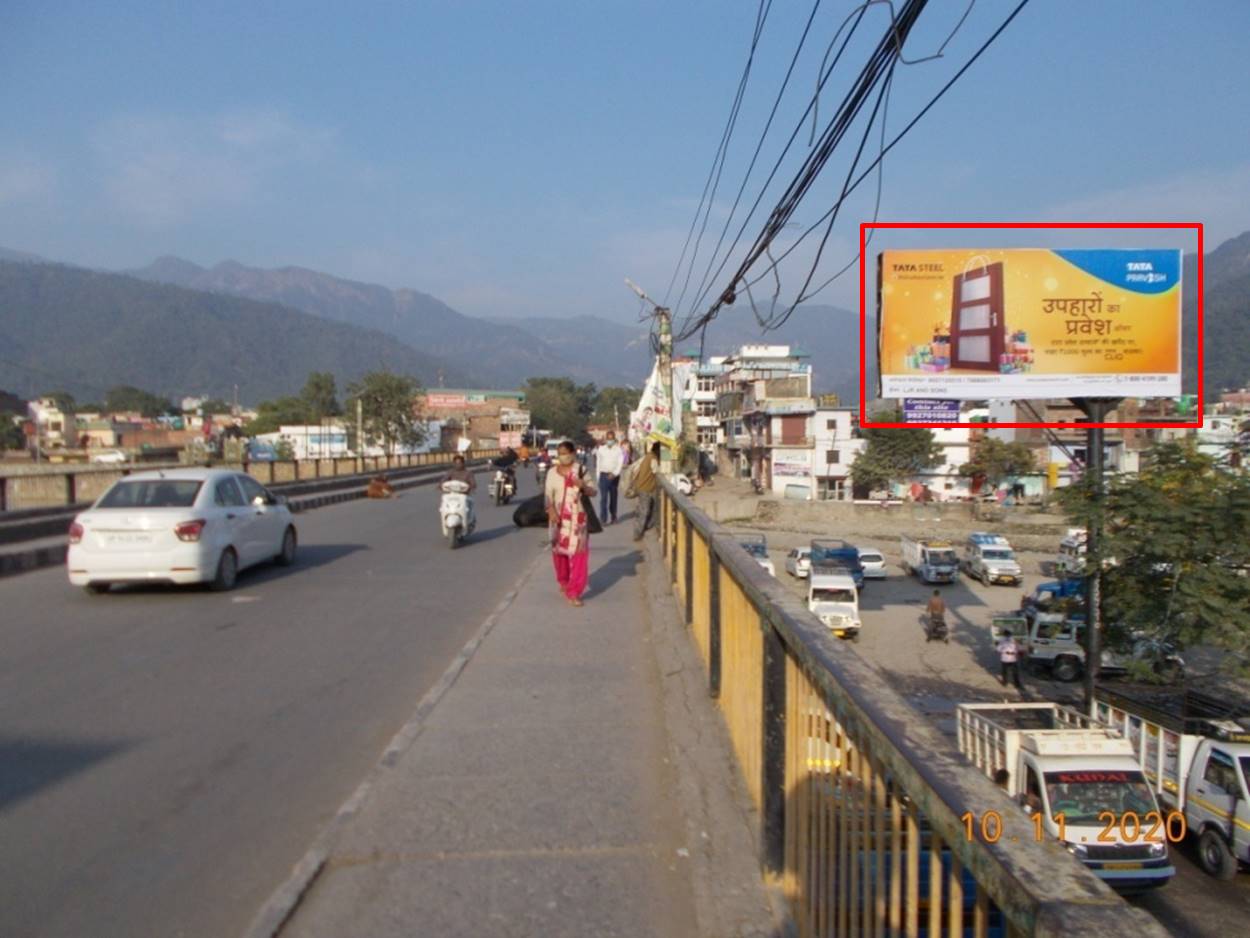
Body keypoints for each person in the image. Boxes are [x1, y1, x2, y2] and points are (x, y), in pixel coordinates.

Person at [545, 440, 597, 606]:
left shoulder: (581, 471)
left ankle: (574, 591)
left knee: (579, 555)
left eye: (566, 453)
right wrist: (551, 511)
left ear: (573, 453)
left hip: (578, 520)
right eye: (560, 453)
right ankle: (564, 581)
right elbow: (547, 497)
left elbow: (593, 491)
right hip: (558, 520)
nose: (563, 456)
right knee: (559, 554)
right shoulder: (552, 473)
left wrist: (582, 486)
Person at [631, 441, 663, 541]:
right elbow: (655, 470)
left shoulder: (648, 456)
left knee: (648, 508)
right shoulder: (653, 458)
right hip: (646, 487)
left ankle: (646, 526)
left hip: (642, 486)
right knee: (644, 510)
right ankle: (638, 533)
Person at [596, 431, 624, 525]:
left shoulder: (618, 450)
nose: (609, 441)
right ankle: (603, 519)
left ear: (614, 439)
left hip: (614, 476)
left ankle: (613, 516)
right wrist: (598, 477)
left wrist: (615, 473)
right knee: (603, 498)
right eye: (608, 439)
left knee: (613, 497)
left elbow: (620, 463)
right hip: (603, 475)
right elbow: (598, 464)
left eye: (611, 439)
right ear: (605, 439)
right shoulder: (601, 449)